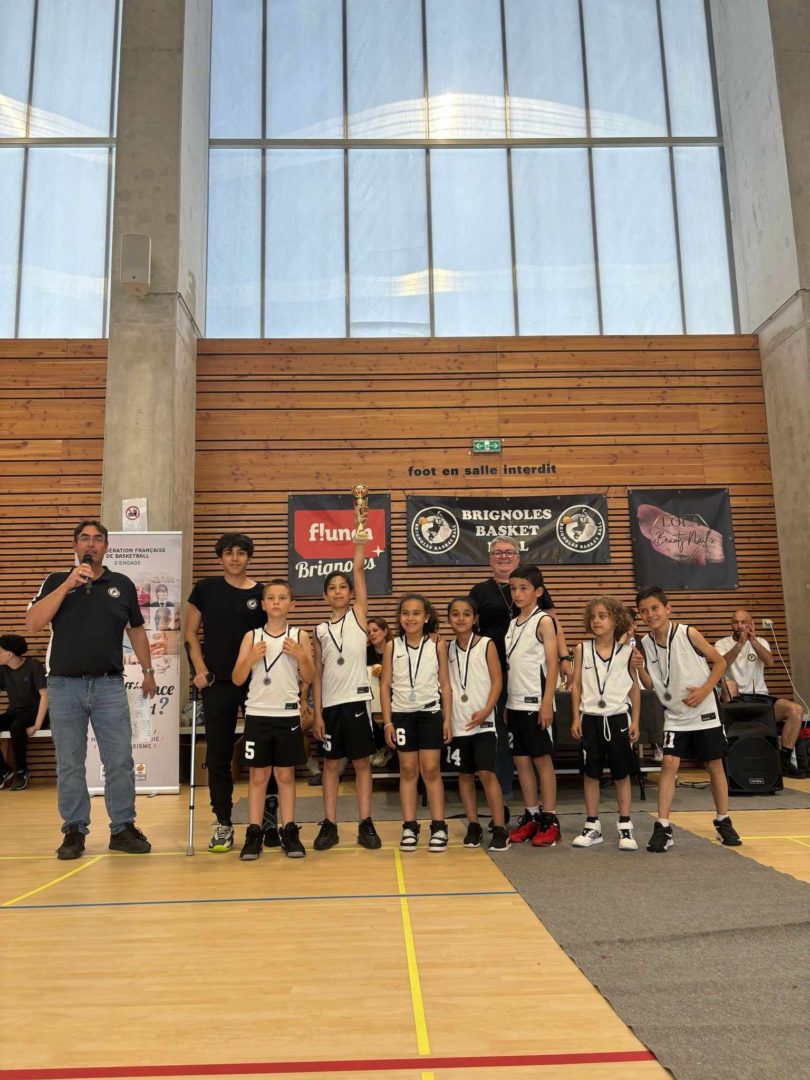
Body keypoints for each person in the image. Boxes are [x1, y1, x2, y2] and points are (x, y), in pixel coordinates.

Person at [26, 520, 155, 859]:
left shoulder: (122, 584)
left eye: (98, 539)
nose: (91, 544)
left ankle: (123, 828)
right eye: (85, 538)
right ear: (75, 545)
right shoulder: (56, 580)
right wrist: (69, 583)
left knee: (120, 761)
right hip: (64, 686)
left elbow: (136, 630)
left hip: (109, 685)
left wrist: (148, 671)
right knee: (70, 762)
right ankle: (74, 830)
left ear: (106, 547)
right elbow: (33, 622)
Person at [632, 586, 741, 853]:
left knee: (714, 764)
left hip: (704, 711)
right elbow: (651, 684)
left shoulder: (688, 632)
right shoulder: (645, 643)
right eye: (644, 611)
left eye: (654, 608)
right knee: (668, 764)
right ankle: (663, 826)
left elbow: (720, 663)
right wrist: (640, 669)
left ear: (668, 609)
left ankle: (723, 820)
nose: (650, 614)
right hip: (675, 715)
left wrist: (705, 690)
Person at [469, 538, 570, 801]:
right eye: (497, 552)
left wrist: (565, 656)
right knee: (502, 736)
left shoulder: (537, 596)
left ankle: (544, 806)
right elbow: (468, 627)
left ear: (518, 556)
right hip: (494, 673)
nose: (503, 556)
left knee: (536, 748)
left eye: (509, 552)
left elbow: (555, 625)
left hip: (530, 678)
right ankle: (503, 793)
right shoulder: (479, 591)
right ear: (490, 558)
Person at [185, 532, 266, 852]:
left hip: (256, 684)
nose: (235, 558)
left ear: (249, 557)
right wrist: (199, 669)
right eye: (229, 553)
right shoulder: (205, 589)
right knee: (218, 755)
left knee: (265, 752)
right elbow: (190, 633)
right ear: (220, 557)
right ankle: (223, 822)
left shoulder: (262, 593)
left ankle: (267, 819)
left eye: (241, 553)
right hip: (217, 683)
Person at [232, 579, 315, 861]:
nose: (276, 602)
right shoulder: (252, 636)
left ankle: (289, 830)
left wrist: (302, 656)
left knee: (285, 776)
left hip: (287, 714)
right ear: (263, 604)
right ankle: (254, 832)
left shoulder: (299, 635)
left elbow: (311, 677)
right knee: (258, 776)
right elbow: (237, 678)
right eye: (271, 598)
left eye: (282, 597)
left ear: (292, 604)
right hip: (257, 713)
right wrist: (250, 659)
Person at [312, 536, 382, 851]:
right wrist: (316, 713)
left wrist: (359, 543)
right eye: (332, 588)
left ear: (351, 593)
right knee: (331, 765)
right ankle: (330, 824)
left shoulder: (358, 615)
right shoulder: (319, 631)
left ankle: (365, 823)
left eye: (343, 587)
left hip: (356, 702)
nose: (338, 591)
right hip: (330, 706)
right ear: (325, 595)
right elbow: (317, 674)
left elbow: (359, 569)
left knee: (362, 763)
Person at [381, 593, 452, 853]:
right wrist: (387, 722)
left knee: (431, 769)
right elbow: (385, 685)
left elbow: (445, 684)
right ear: (399, 618)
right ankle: (410, 826)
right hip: (402, 715)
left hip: (430, 713)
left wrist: (447, 718)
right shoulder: (392, 646)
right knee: (408, 769)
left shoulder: (437, 645)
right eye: (405, 613)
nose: (410, 618)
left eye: (416, 613)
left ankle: (439, 825)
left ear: (426, 617)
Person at [570, 598, 640, 851]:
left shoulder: (628, 653)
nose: (596, 621)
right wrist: (576, 716)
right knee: (591, 774)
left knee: (621, 774)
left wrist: (636, 720)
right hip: (590, 718)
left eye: (602, 616)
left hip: (618, 718)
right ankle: (592, 825)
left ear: (616, 620)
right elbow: (576, 685)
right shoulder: (581, 649)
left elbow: (634, 688)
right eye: (593, 616)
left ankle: (625, 826)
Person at [445, 597, 509, 852]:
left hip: (483, 722)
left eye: (466, 614)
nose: (461, 618)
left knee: (486, 773)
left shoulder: (486, 644)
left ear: (475, 619)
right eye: (455, 614)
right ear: (449, 619)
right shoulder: (446, 649)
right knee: (464, 775)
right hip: (458, 722)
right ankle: (473, 825)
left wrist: (486, 711)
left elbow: (497, 681)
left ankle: (500, 828)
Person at [504, 565, 562, 847]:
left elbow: (552, 663)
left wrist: (547, 702)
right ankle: (531, 815)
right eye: (513, 588)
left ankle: (550, 819)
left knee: (542, 761)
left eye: (523, 588)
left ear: (538, 592)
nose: (517, 593)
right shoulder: (512, 623)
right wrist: (508, 703)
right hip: (515, 703)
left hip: (536, 703)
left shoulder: (544, 621)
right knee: (521, 761)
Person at [715, 609, 806, 778]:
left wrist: (753, 641)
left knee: (796, 710)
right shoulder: (722, 643)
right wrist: (740, 644)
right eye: (736, 622)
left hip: (760, 699)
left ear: (751, 624)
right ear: (731, 624)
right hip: (735, 700)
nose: (739, 626)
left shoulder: (761, 641)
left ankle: (784, 759)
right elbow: (722, 665)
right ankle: (732, 753)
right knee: (729, 683)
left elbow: (770, 662)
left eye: (744, 622)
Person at [0, 634, 48, 791]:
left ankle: (22, 770)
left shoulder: (33, 666)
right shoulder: (3, 669)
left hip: (35, 712)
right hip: (14, 712)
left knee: (16, 726)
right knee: (15, 722)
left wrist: (37, 725)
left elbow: (45, 695)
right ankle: (4, 770)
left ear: (9, 654)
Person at [367, 616, 394, 768]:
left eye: (375, 630)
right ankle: (380, 747)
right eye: (369, 632)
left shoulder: (396, 649)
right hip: (373, 695)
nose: (371, 634)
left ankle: (387, 748)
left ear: (385, 631)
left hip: (394, 693)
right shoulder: (365, 652)